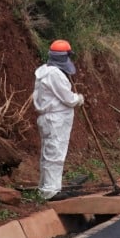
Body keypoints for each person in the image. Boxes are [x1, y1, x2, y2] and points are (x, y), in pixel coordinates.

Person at [33, 39, 85, 201]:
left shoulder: (44, 71)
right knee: (54, 154)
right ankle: (50, 191)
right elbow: (68, 98)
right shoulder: (55, 74)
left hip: (49, 119)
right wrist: (78, 98)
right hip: (55, 119)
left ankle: (46, 187)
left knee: (49, 153)